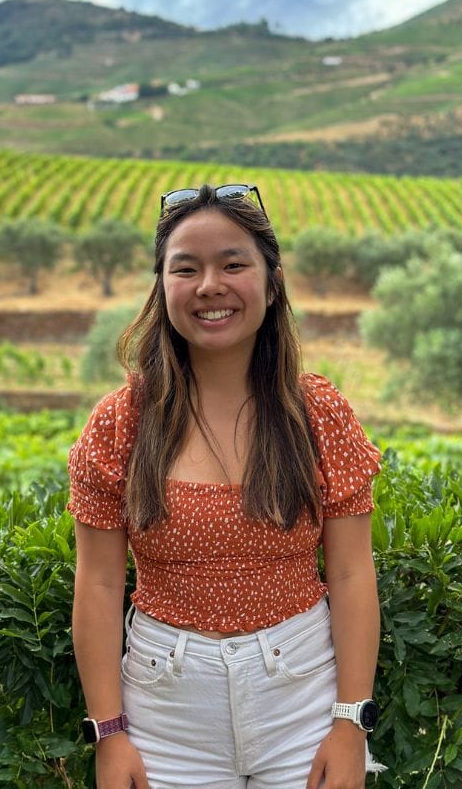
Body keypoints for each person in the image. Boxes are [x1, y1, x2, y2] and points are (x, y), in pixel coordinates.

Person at [68, 183, 385, 789]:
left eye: (233, 264)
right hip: (165, 715)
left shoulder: (316, 413)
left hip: (305, 706)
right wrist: (109, 735)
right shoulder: (121, 423)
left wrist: (351, 724)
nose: (210, 285)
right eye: (186, 268)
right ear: (162, 288)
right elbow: (101, 583)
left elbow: (350, 574)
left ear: (271, 280)